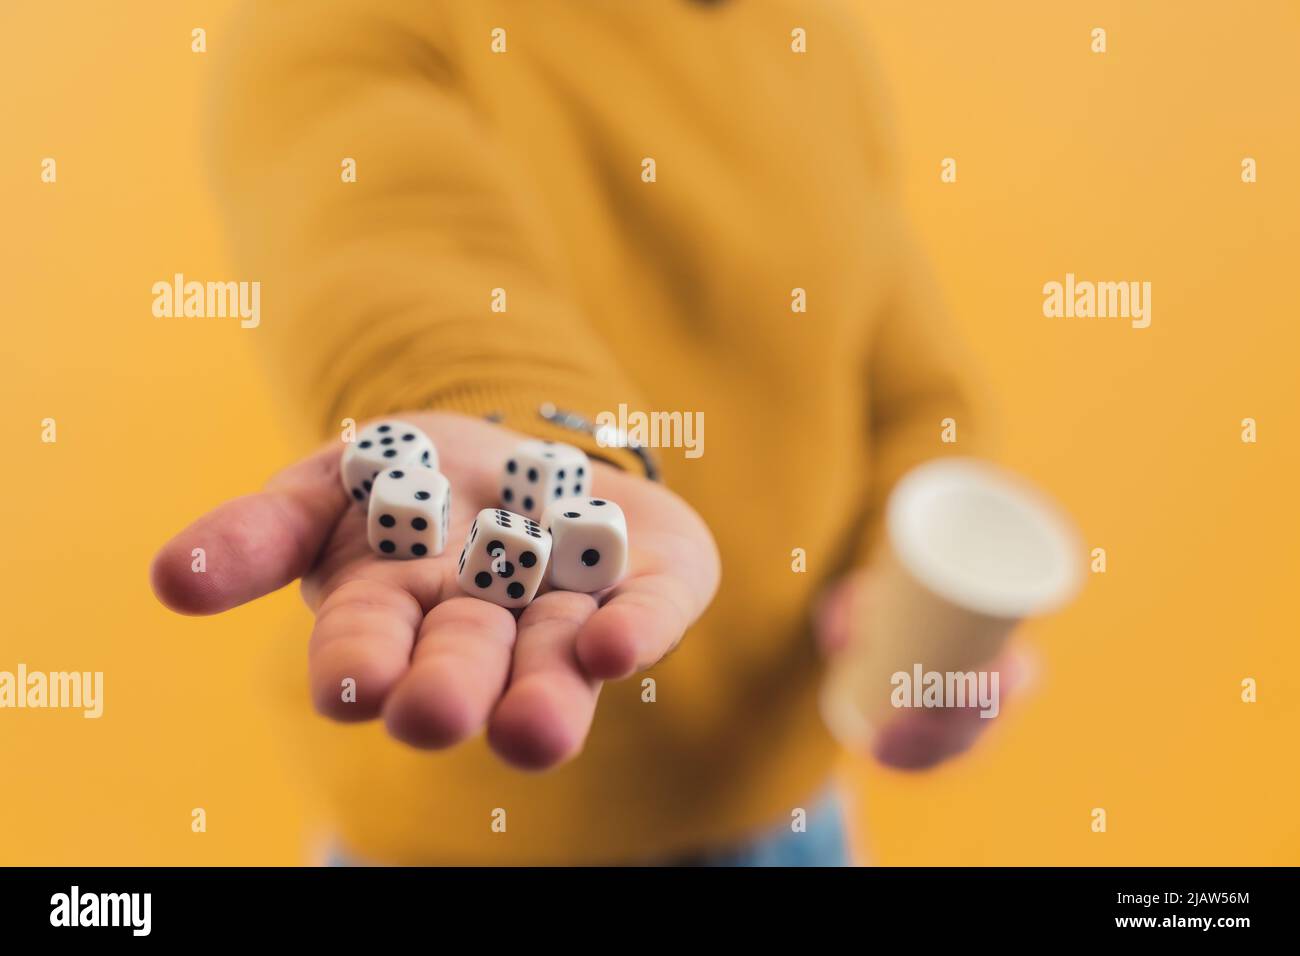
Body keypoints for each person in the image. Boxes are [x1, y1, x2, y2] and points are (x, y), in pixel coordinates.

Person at [151, 0, 1016, 866]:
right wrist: (515, 424)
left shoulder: (814, 42)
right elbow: (399, 239)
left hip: (791, 814)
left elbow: (911, 390)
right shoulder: (355, 24)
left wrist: (923, 602)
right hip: (470, 831)